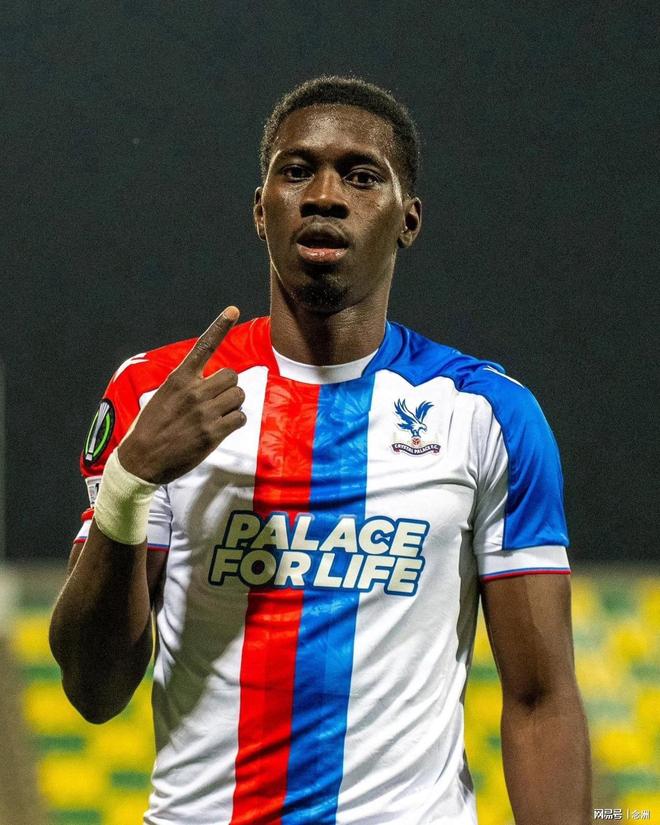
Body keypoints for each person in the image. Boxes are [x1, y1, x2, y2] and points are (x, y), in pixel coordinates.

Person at [49, 76, 591, 825]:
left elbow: (541, 699)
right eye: (297, 170)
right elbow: (94, 689)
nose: (325, 196)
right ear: (260, 209)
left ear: (408, 219)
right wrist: (129, 482)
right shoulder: (157, 394)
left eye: (361, 176)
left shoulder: (487, 415)